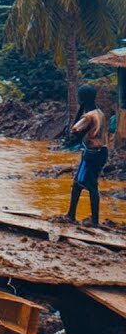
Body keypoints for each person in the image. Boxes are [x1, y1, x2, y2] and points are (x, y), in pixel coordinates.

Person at [64, 84, 109, 227]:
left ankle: (94, 221)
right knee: (78, 183)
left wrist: (79, 112)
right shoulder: (99, 112)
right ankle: (71, 214)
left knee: (90, 186)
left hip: (91, 154)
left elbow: (74, 131)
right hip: (101, 152)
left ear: (83, 98)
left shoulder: (88, 116)